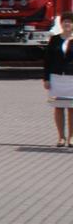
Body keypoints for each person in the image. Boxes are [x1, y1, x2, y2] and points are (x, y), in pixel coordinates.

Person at [44, 10, 73, 147]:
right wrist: (46, 78)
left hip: (71, 78)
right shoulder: (54, 39)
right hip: (56, 78)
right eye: (64, 21)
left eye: (69, 22)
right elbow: (47, 61)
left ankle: (72, 138)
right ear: (61, 24)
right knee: (58, 108)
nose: (67, 24)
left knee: (72, 108)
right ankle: (61, 137)